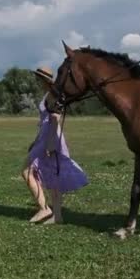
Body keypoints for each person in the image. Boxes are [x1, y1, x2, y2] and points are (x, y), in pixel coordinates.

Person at [21, 66, 88, 224]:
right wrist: (35, 140)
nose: (37, 81)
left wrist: (50, 144)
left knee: (26, 171)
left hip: (50, 137)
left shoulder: (52, 95)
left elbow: (55, 119)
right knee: (53, 176)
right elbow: (45, 120)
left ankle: (44, 208)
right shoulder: (51, 94)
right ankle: (57, 216)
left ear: (44, 79)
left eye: (38, 78)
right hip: (47, 136)